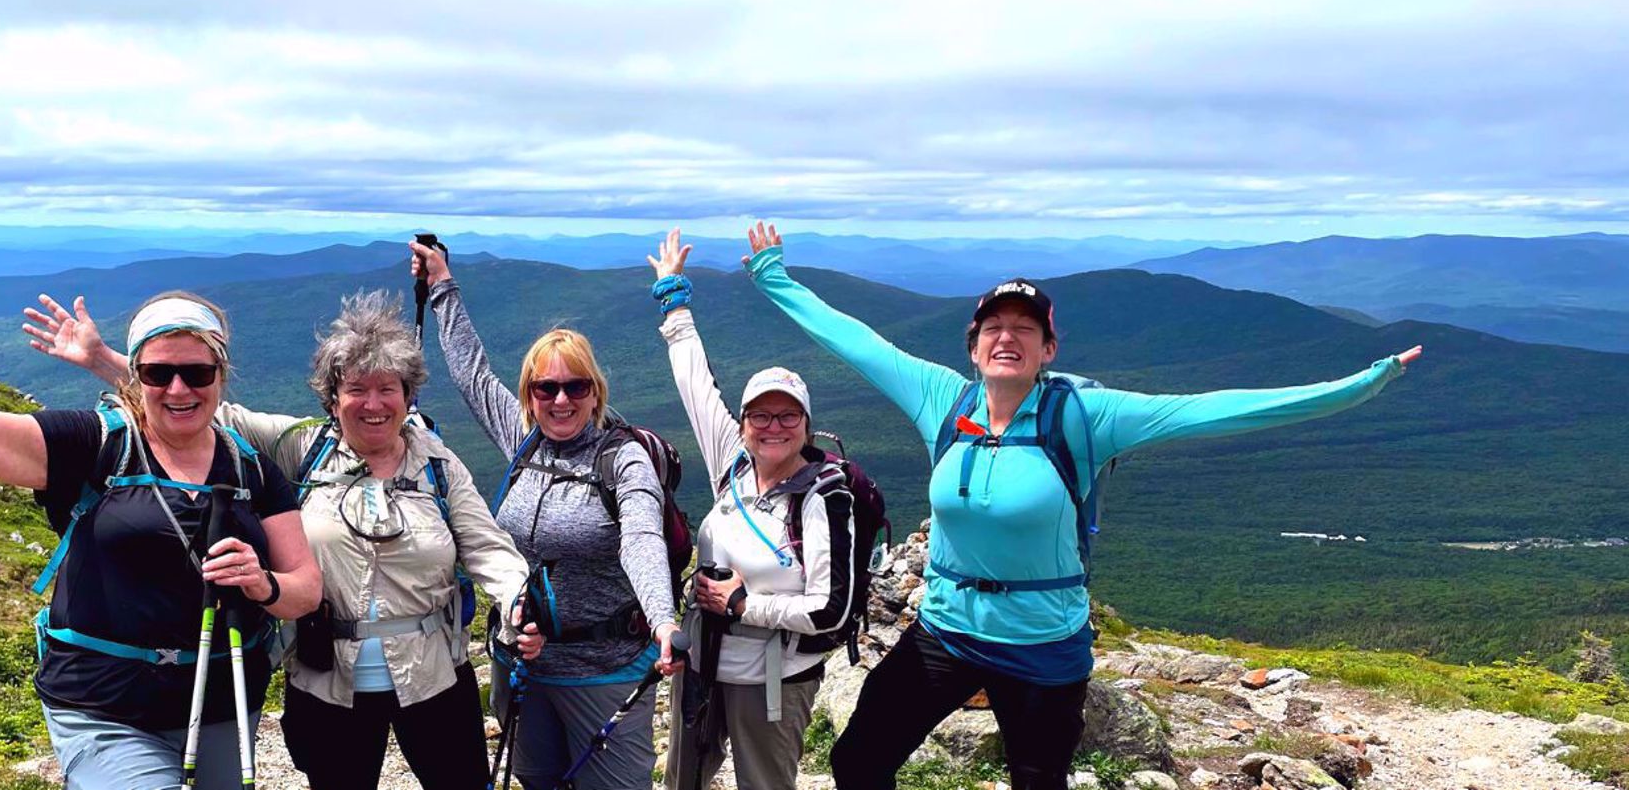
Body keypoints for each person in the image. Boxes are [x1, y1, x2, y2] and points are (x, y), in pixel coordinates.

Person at [737, 222, 1423, 790]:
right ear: (974, 346)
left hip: (1042, 642)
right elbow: (855, 340)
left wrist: (1361, 384)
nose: (1008, 336)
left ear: (1048, 348)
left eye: (1025, 329)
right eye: (994, 326)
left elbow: (1214, 410)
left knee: (1040, 781)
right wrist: (774, 276)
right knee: (858, 757)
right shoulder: (943, 400)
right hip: (946, 628)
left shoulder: (1085, 415)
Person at [20, 289, 546, 790]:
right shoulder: (300, 448)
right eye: (356, 389)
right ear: (332, 398)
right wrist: (103, 360)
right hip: (327, 679)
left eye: (389, 389)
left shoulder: (436, 465)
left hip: (433, 676)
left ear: (409, 396)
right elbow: (193, 402)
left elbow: (487, 546)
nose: (373, 404)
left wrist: (519, 600)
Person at [0, 239, 322, 789]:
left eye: (196, 373)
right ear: (135, 376)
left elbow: (305, 588)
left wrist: (263, 584)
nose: (177, 389)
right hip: (102, 707)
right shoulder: (92, 444)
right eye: (156, 374)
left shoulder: (253, 471)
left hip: (221, 703)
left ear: (221, 374)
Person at [409, 240, 682, 790]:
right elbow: (473, 377)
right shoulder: (524, 440)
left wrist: (663, 619)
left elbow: (642, 539)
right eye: (546, 387)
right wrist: (442, 285)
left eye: (575, 386)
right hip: (525, 663)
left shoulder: (622, 458)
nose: (561, 400)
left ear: (595, 391)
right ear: (530, 395)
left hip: (604, 670)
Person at [646, 231, 859, 790]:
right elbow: (694, 380)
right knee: (682, 782)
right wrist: (673, 296)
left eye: (788, 417)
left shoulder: (822, 495)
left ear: (807, 427)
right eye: (760, 416)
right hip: (705, 663)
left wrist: (744, 604)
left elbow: (830, 611)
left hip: (776, 679)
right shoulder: (732, 465)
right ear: (742, 424)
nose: (773, 427)